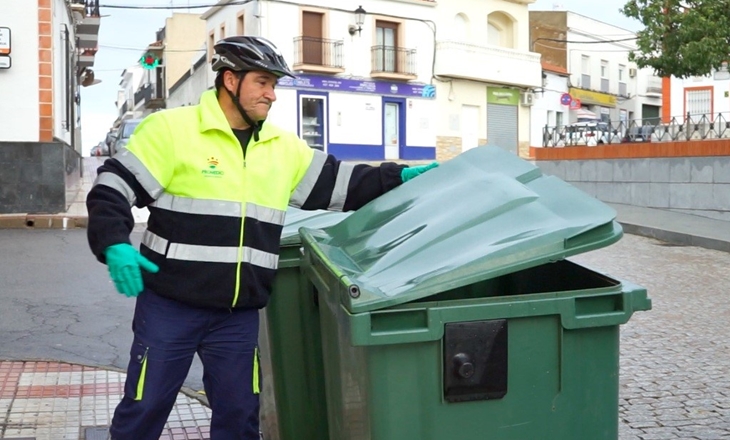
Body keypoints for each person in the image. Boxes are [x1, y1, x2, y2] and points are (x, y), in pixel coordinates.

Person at [86, 36, 437, 440]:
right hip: (171, 306)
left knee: (240, 417)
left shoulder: (281, 146)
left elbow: (339, 184)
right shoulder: (172, 131)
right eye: (263, 82)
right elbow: (112, 187)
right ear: (230, 80)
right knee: (144, 411)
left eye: (274, 85)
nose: (272, 94)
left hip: (237, 315)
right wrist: (113, 242)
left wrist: (398, 177)